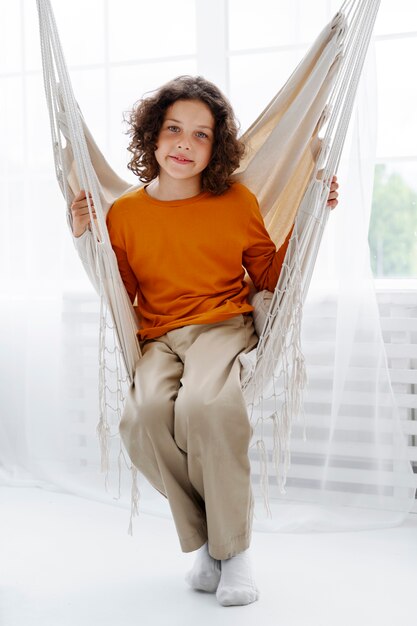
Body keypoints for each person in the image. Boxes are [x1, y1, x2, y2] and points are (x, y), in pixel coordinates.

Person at [70, 75, 339, 607]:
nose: (184, 145)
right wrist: (83, 235)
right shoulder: (124, 214)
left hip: (222, 325)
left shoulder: (235, 201)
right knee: (141, 418)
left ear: (215, 149)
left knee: (207, 406)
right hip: (158, 338)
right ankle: (211, 542)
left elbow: (267, 274)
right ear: (153, 135)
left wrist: (310, 221)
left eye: (201, 135)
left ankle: (234, 552)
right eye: (174, 129)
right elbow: (119, 292)